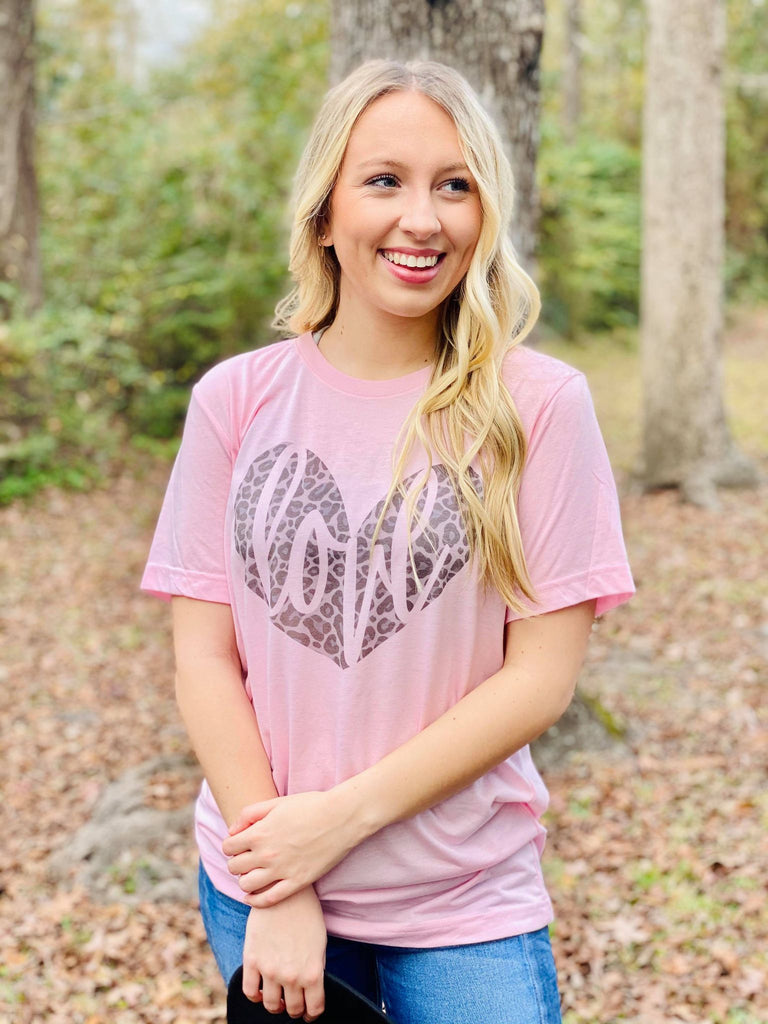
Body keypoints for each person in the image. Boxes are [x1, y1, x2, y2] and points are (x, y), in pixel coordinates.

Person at [141, 59, 634, 1024]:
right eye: (383, 180)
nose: (423, 218)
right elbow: (203, 657)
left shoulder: (539, 406)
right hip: (261, 884)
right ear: (325, 213)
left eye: (454, 185)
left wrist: (333, 826)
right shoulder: (235, 400)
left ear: (486, 212)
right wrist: (281, 882)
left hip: (463, 904)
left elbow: (541, 679)